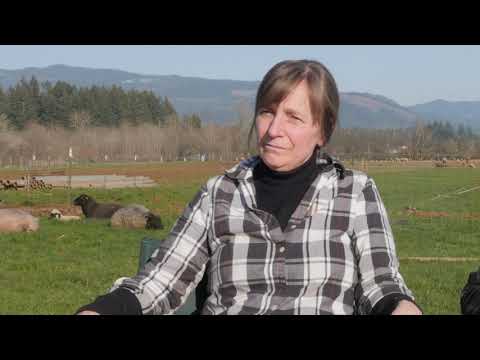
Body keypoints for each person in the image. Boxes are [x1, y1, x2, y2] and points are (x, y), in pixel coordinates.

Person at [77, 59, 422, 315]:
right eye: (267, 112)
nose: (274, 130)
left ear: (323, 131)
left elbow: (382, 282)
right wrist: (100, 310)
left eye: (294, 117)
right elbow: (160, 282)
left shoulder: (355, 191)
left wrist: (401, 306)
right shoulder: (220, 193)